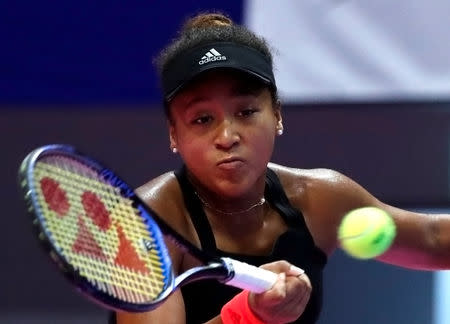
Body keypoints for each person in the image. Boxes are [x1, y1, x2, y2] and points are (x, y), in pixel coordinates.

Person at [112, 12, 450, 324]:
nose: (227, 136)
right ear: (174, 134)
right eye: (202, 119)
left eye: (245, 112)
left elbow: (434, 238)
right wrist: (249, 314)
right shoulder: (144, 225)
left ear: (277, 114)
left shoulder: (320, 199)